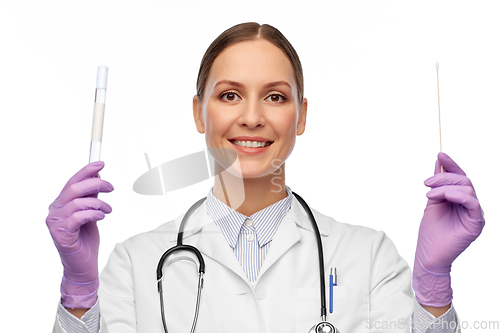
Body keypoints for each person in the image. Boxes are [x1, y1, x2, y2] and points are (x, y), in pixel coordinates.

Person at [47, 22, 485, 333]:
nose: (252, 117)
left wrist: (432, 282)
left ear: (301, 115)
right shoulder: (135, 265)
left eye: (275, 96)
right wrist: (80, 291)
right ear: (199, 112)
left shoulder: (369, 259)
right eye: (230, 95)